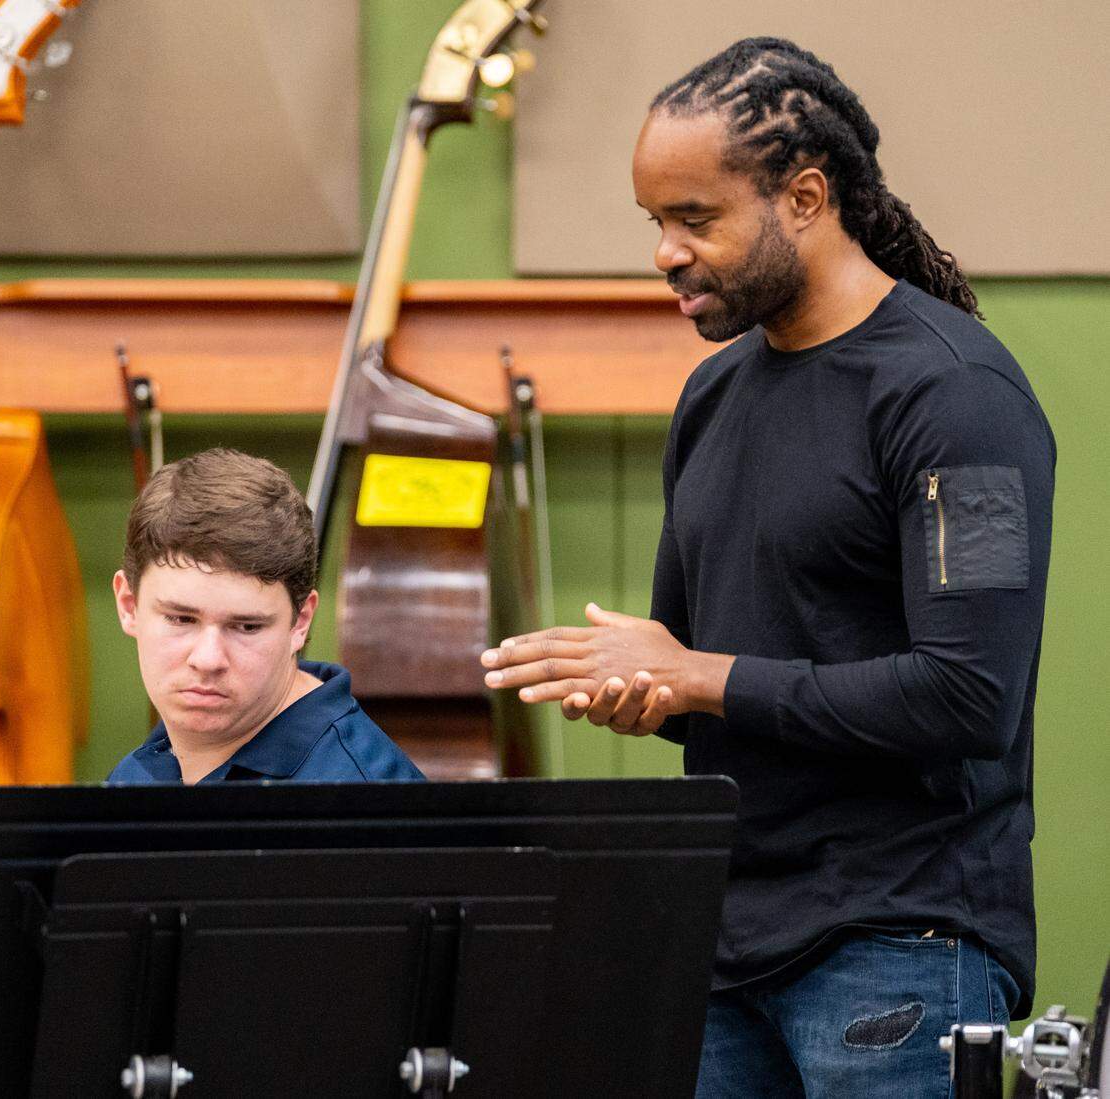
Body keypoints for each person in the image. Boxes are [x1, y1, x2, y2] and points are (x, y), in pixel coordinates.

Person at [481, 37, 1054, 1098]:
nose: (665, 251)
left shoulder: (957, 398)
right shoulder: (713, 396)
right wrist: (644, 690)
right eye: (655, 222)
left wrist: (699, 675)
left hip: (900, 945)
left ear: (803, 197)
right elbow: (703, 671)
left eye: (695, 220)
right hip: (724, 947)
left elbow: (969, 694)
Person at [107, 447, 423, 785]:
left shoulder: (364, 798)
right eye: (181, 619)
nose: (208, 659)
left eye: (246, 626)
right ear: (129, 605)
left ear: (300, 622)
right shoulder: (136, 772)